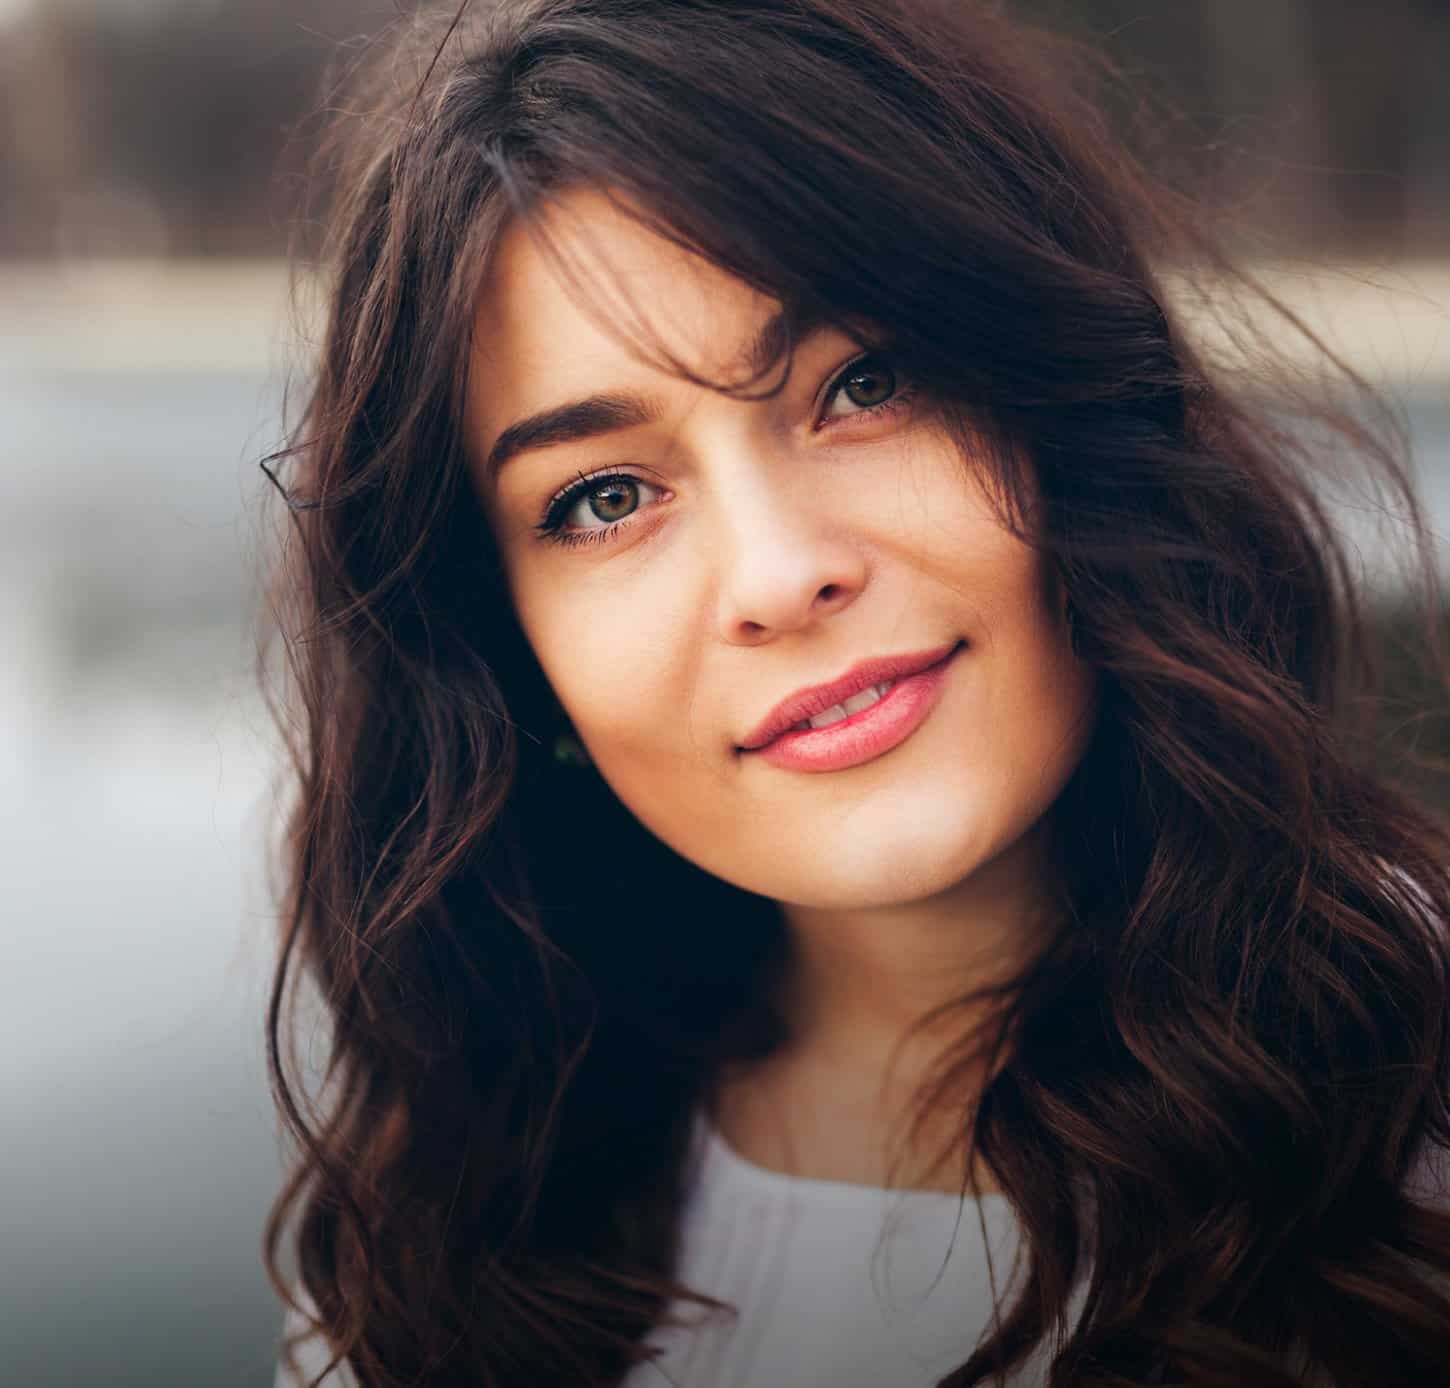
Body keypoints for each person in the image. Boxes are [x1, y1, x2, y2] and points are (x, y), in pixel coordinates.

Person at [259, 1, 1450, 1384]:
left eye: (863, 385)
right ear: (501, 655)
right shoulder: (435, 1236)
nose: (778, 572)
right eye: (601, 499)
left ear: (1070, 404)